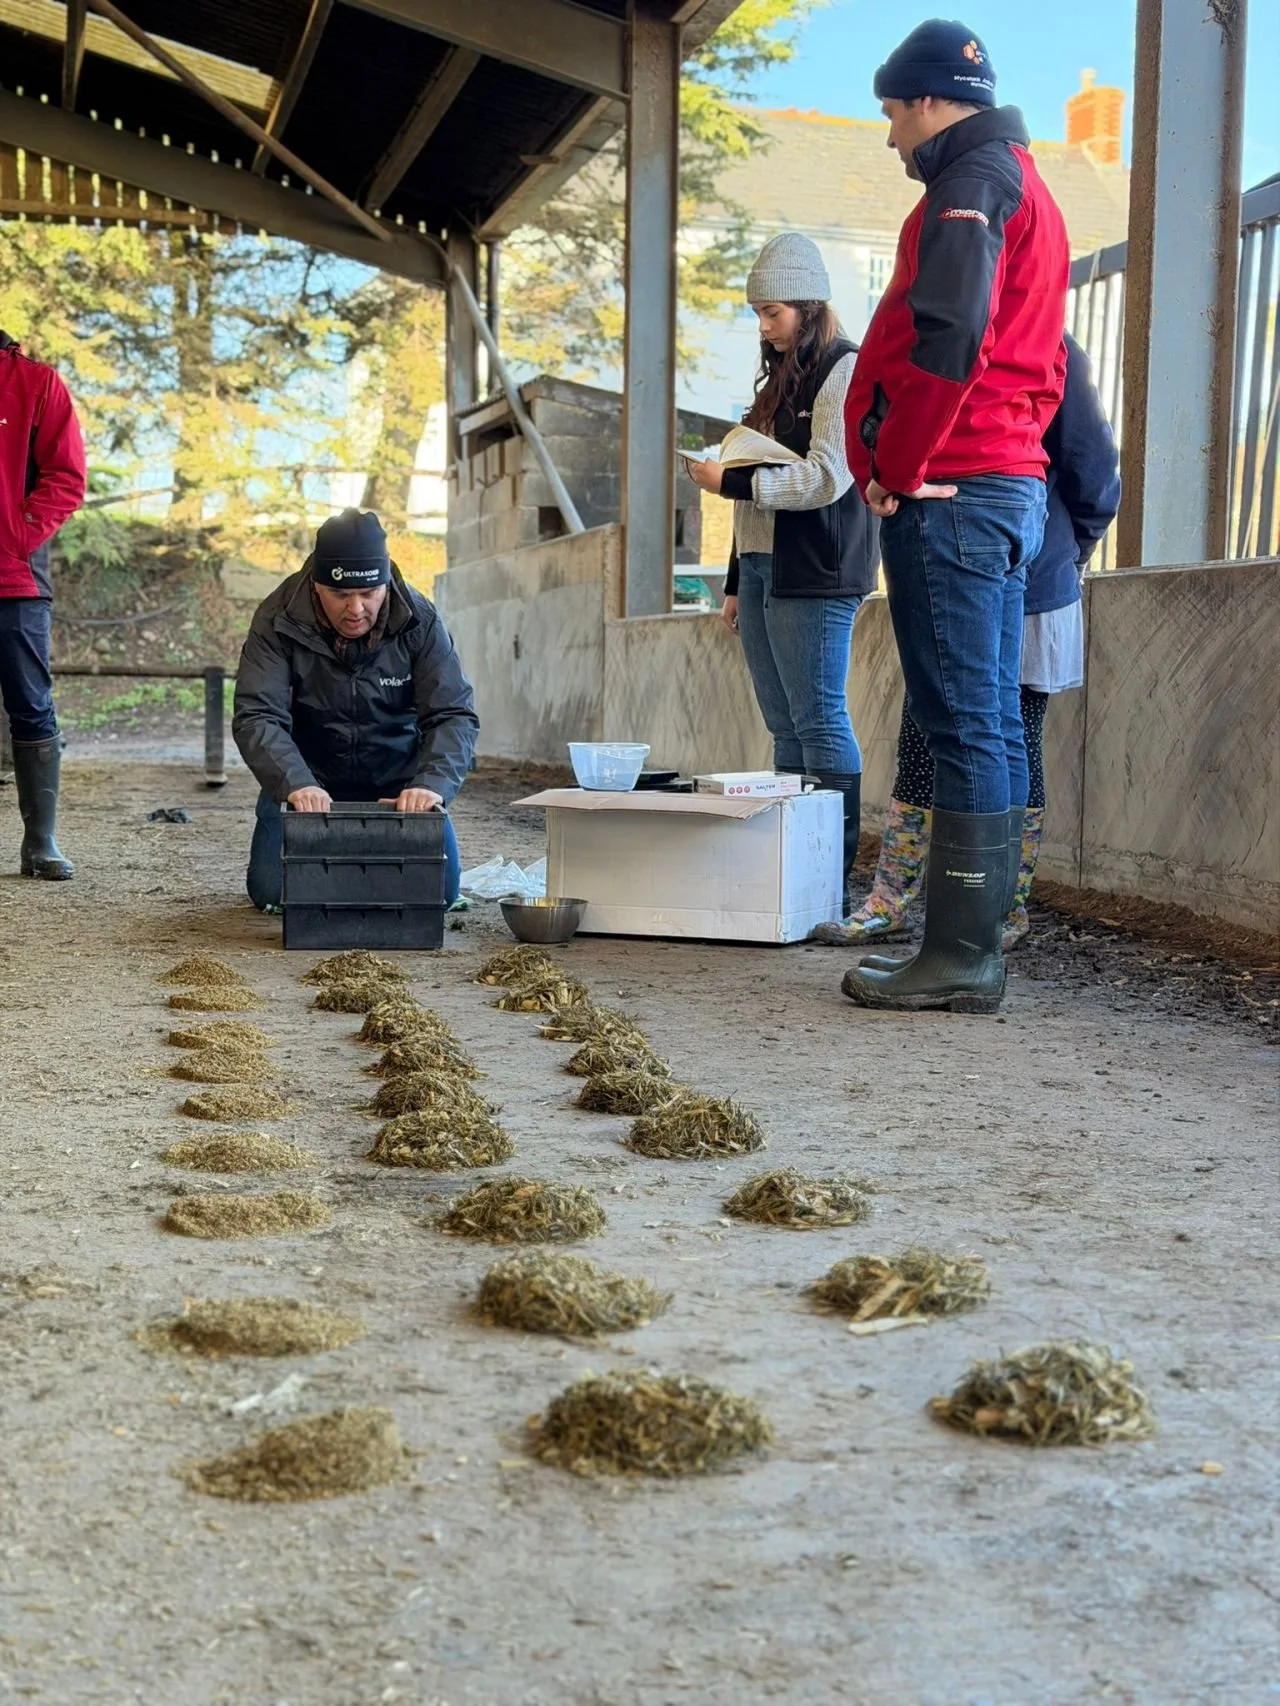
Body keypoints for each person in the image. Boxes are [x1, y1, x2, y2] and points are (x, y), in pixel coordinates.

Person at [839, 20, 1070, 1013]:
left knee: (965, 718)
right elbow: (1041, 359)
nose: (890, 136)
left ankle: (962, 956)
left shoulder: (969, 183)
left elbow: (952, 330)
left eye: (892, 113)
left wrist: (900, 460)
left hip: (956, 483)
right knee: (983, 721)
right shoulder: (1022, 181)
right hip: (996, 476)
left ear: (931, 100)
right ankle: (957, 941)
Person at [817, 332, 1120, 950]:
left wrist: (1067, 552)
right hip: (952, 567)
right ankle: (900, 899)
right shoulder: (952, 336)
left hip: (1029, 579)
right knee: (928, 733)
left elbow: (1093, 471)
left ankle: (996, 910)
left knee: (1012, 739)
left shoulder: (1049, 348)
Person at [687, 233, 879, 914]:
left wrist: (729, 486)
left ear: (806, 304)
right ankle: (793, 866)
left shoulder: (843, 369)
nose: (764, 328)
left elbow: (830, 475)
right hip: (767, 564)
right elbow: (759, 480)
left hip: (819, 566)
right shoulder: (780, 378)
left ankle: (834, 873)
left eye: (772, 313)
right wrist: (738, 579)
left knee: (819, 716)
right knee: (784, 724)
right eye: (759, 316)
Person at [232, 508, 478, 912]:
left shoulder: (421, 619)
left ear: (384, 582)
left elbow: (453, 713)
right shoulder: (277, 619)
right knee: (270, 892)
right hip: (310, 782)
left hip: (398, 787)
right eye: (340, 595)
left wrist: (430, 786)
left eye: (369, 593)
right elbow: (257, 714)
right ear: (316, 585)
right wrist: (295, 783)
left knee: (440, 894)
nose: (356, 609)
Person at [0, 331, 87, 880]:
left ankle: (40, 843)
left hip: (14, 579)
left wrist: (14, 536)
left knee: (31, 705)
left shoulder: (35, 384)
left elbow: (66, 477)